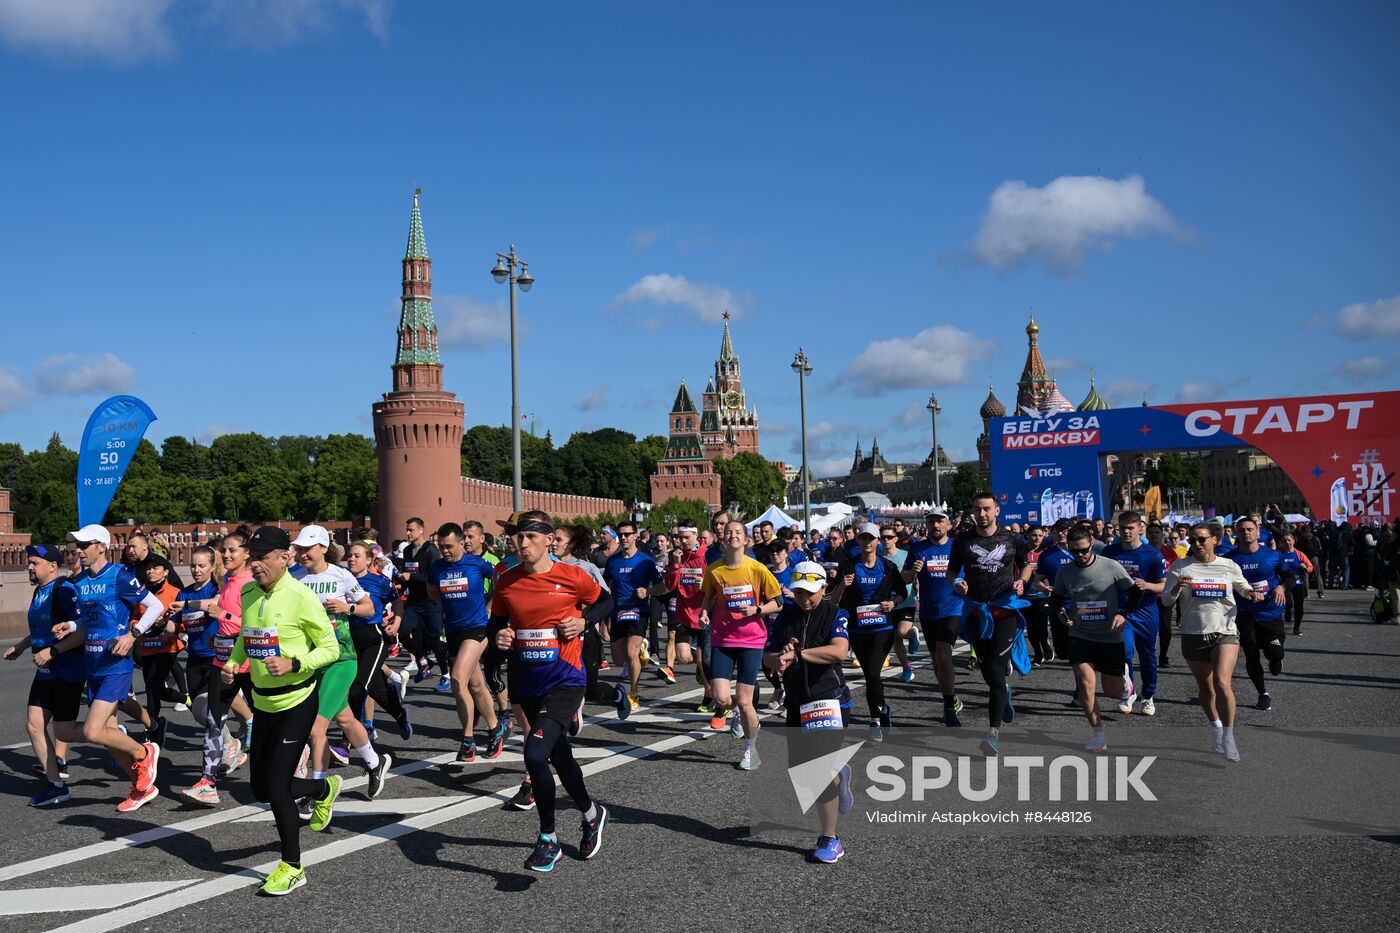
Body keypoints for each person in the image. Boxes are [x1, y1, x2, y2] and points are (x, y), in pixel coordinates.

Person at [221, 526, 341, 896]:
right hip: (263, 703)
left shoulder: (301, 596)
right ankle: (323, 788)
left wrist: (293, 664)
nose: (255, 564)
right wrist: (233, 661)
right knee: (259, 788)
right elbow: (246, 636)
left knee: (275, 786)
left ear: (284, 558)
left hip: (297, 702)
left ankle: (292, 865)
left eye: (262, 558)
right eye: (251, 557)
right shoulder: (248, 590)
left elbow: (330, 648)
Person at [491, 511, 609, 872]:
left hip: (566, 680)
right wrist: (500, 640)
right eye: (518, 538)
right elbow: (496, 623)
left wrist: (584, 621)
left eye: (529, 537)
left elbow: (606, 601)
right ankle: (591, 815)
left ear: (547, 540)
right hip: (527, 682)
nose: (522, 544)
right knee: (560, 758)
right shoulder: (506, 580)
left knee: (534, 753)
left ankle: (548, 839)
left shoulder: (572, 576)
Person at [61, 524, 166, 811]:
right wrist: (69, 625)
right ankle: (142, 785)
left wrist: (133, 635)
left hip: (116, 666)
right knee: (109, 736)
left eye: (85, 545)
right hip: (92, 665)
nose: (79, 550)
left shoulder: (120, 576)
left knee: (94, 731)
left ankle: (144, 752)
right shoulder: (80, 581)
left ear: (102, 547)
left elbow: (155, 606)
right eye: (77, 546)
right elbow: (89, 620)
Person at [763, 561, 854, 863]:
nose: (806, 599)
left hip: (829, 698)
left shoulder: (834, 613)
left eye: (812, 592)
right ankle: (839, 777)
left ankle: (830, 838)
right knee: (801, 772)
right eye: (800, 592)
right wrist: (777, 659)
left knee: (815, 771)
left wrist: (799, 654)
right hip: (796, 701)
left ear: (824, 588)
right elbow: (768, 654)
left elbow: (840, 651)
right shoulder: (785, 617)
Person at [1162, 521, 1263, 762]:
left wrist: (1252, 594)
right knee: (1206, 688)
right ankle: (1216, 727)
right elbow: (1166, 601)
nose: (1196, 544)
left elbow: (1243, 588)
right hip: (1193, 633)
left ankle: (1229, 736)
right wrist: (1176, 587)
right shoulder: (1180, 566)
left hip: (1225, 631)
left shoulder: (1228, 565)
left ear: (1214, 540)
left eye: (1202, 539)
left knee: (1222, 683)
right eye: (1194, 540)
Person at [947, 493, 1028, 757]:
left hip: (1004, 610)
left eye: (986, 509)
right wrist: (956, 583)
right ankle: (1003, 690)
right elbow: (951, 572)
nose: (982, 514)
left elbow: (1026, 566)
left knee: (995, 666)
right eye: (977, 509)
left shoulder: (1012, 539)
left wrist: (1022, 581)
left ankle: (993, 734)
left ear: (997, 511)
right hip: (976, 612)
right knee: (987, 671)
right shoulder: (963, 541)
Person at [4, 545, 84, 807]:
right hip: (46, 670)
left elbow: (83, 629)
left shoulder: (65, 590)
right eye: (29, 562)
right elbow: (41, 628)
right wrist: (22, 646)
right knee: (34, 724)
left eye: (35, 562)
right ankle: (56, 785)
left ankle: (113, 736)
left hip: (67, 669)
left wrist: (54, 650)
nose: (29, 566)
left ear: (52, 566)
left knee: (66, 731)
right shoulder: (40, 591)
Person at [1052, 527, 1144, 751]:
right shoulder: (1065, 572)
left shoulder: (1110, 566)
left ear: (1091, 544)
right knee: (1085, 684)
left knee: (1113, 691)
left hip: (1110, 637)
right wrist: (1060, 614)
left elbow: (1135, 594)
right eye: (1074, 552)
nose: (1080, 556)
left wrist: (1123, 613)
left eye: (1083, 550)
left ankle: (1126, 683)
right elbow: (1055, 600)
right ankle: (1098, 734)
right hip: (1080, 634)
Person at [701, 520, 783, 770]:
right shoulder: (714, 570)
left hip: (750, 639)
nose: (733, 535)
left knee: (746, 701)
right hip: (723, 638)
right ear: (723, 539)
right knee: (721, 697)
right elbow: (708, 597)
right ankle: (735, 711)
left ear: (746, 540)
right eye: (729, 532)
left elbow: (778, 602)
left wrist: (757, 608)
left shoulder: (757, 569)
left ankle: (750, 750)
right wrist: (704, 613)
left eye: (738, 532)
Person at [428, 523, 507, 764]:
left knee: (457, 678)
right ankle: (495, 728)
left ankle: (468, 739)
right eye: (441, 547)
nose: (445, 551)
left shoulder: (477, 563)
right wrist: (443, 607)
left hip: (478, 627)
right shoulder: (437, 568)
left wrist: (491, 607)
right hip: (453, 629)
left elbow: (501, 582)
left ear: (462, 543)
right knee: (475, 684)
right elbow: (432, 591)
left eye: (449, 546)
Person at [830, 522, 907, 742]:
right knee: (870, 675)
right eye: (863, 538)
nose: (867, 542)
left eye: (871, 538)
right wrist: (843, 586)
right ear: (858, 540)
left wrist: (892, 603)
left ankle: (874, 720)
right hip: (857, 629)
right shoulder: (848, 565)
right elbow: (832, 599)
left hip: (882, 627)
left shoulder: (888, 566)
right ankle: (883, 708)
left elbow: (902, 593)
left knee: (873, 673)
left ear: (877, 542)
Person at [169, 546, 225, 804]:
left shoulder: (217, 590)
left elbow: (216, 607)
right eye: (193, 565)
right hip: (195, 659)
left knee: (213, 715)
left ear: (212, 566)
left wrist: (189, 605)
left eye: (202, 565)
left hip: (217, 658)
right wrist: (161, 623)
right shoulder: (185, 592)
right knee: (199, 711)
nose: (197, 569)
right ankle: (230, 743)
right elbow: (174, 624)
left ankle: (209, 778)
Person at [903, 508, 965, 727]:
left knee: (943, 653)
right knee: (937, 662)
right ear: (926, 525)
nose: (936, 526)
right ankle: (951, 697)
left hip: (953, 608)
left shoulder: (957, 546)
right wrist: (913, 573)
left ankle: (949, 709)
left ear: (948, 525)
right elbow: (905, 577)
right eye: (932, 522)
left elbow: (970, 573)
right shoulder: (918, 548)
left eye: (940, 522)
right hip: (929, 612)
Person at [1102, 511, 1167, 717]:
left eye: (1131, 528)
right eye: (1122, 528)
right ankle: (1128, 691)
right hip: (1122, 613)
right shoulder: (1109, 552)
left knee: (1148, 656)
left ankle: (1148, 695)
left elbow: (1164, 586)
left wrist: (1147, 585)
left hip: (1147, 613)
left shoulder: (1153, 554)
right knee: (1125, 652)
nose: (1126, 532)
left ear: (1140, 529)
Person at [347, 541, 412, 741]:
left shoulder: (380, 582)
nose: (351, 559)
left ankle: (347, 739)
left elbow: (397, 602)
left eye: (357, 556)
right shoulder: (341, 579)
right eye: (350, 555)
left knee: (357, 687)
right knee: (377, 690)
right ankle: (400, 715)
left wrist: (396, 622)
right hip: (348, 639)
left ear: (369, 560)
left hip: (373, 637)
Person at [604, 520, 664, 711]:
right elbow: (603, 585)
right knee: (619, 660)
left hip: (638, 611)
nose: (623, 538)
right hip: (617, 612)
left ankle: (634, 692)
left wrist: (648, 592)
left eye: (627, 534)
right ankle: (641, 650)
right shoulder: (613, 561)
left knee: (631, 653)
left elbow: (662, 586)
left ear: (636, 536)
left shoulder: (646, 561)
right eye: (620, 534)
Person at [1230, 517, 1289, 711]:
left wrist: (1281, 586)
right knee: (1251, 655)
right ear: (1236, 533)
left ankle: (1275, 658)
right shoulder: (1230, 560)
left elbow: (1291, 575)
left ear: (1258, 532)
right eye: (1242, 530)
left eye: (1249, 529)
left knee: (1275, 652)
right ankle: (1262, 693)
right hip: (1245, 614)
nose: (1246, 533)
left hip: (1270, 612)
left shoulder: (1272, 555)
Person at [136, 556, 184, 747]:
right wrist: (138, 626)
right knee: (155, 689)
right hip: (146, 647)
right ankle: (186, 700)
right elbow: (133, 618)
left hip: (167, 646)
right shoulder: (141, 593)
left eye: (156, 568)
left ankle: (151, 730)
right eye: (148, 569)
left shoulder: (176, 593)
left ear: (166, 572)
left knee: (152, 686)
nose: (151, 571)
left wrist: (168, 625)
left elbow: (183, 620)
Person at [665, 524, 713, 712]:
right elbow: (670, 585)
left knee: (703, 660)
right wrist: (675, 565)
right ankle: (700, 669)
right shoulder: (677, 556)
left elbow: (717, 583)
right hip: (683, 614)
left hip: (703, 614)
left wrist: (706, 584)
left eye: (686, 537)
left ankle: (708, 695)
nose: (682, 541)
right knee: (683, 657)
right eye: (679, 537)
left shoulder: (707, 555)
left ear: (695, 535)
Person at [397, 516, 447, 684]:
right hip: (413, 601)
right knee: (403, 634)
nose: (408, 533)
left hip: (430, 601)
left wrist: (411, 576)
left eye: (411, 530)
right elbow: (406, 575)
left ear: (421, 530)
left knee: (434, 640)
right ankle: (423, 660)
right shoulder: (406, 551)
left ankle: (445, 674)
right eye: (407, 530)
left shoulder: (431, 551)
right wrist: (400, 587)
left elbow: (433, 577)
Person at [881, 526, 919, 683]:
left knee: (901, 632)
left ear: (896, 539)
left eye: (889, 537)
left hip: (906, 600)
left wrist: (919, 591)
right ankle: (907, 668)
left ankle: (912, 633)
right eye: (883, 537)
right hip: (887, 603)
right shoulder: (878, 558)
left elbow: (915, 575)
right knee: (894, 638)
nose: (886, 540)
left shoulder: (906, 555)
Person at [1277, 531, 1313, 637]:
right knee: (1288, 603)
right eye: (1285, 541)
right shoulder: (1278, 553)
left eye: (1289, 540)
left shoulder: (1299, 554)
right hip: (1285, 583)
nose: (1287, 542)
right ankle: (1288, 610)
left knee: (1299, 607)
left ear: (1293, 541)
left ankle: (1296, 628)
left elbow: (1310, 567)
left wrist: (1305, 568)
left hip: (1298, 581)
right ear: (1281, 542)